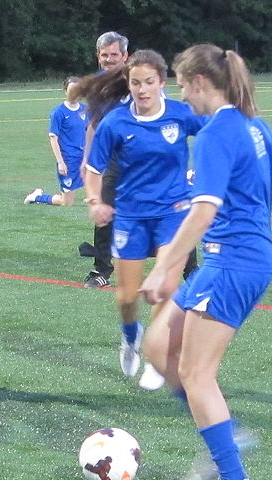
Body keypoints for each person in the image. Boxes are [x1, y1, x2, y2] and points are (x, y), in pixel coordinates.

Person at [140, 44, 272, 480]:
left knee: (195, 373)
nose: (182, 95)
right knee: (157, 346)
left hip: (233, 263)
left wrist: (163, 269)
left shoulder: (217, 133)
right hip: (236, 261)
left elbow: (203, 212)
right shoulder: (253, 125)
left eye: (183, 84)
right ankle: (225, 433)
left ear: (200, 82)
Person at [84, 50, 206, 391]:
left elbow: (217, 133)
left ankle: (158, 355)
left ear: (161, 82)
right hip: (130, 217)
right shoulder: (116, 122)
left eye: (149, 82)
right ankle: (131, 335)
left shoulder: (181, 114)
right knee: (127, 297)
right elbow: (93, 170)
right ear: (128, 84)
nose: (142, 89)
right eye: (136, 83)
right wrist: (95, 201)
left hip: (173, 213)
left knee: (166, 287)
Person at [80, 31, 129, 289]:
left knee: (166, 209)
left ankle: (190, 270)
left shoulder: (138, 79)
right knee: (103, 208)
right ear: (98, 56)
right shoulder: (97, 85)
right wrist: (86, 159)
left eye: (114, 54)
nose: (109, 59)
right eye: (104, 55)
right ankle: (101, 269)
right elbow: (93, 124)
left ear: (125, 55)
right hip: (111, 157)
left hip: (143, 157)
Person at [24, 76, 87, 206]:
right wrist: (61, 162)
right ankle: (37, 197)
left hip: (84, 158)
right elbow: (53, 138)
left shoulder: (85, 109)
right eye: (71, 90)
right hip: (68, 159)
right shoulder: (58, 112)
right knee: (66, 202)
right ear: (65, 91)